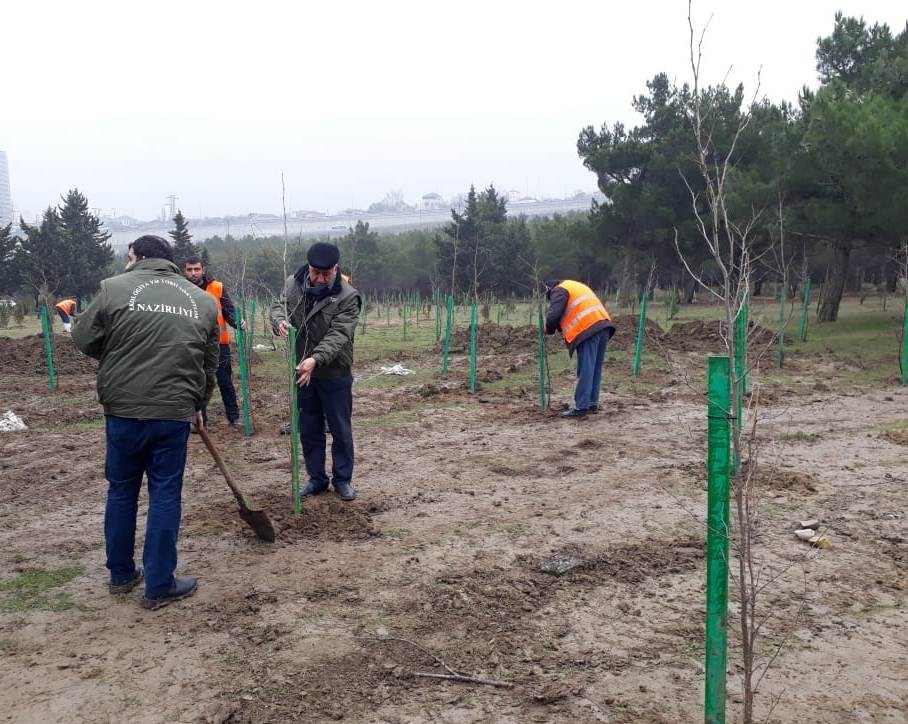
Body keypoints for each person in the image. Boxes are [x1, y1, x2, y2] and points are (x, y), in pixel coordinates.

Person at [72, 235, 219, 609]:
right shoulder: (202, 301)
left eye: (128, 258)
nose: (125, 264)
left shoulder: (112, 289)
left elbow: (83, 337)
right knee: (165, 494)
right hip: (172, 414)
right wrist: (198, 403)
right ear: (171, 262)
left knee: (121, 489)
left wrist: (115, 349)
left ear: (137, 257)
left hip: (123, 411)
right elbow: (209, 364)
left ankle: (121, 574)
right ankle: (158, 584)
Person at [270, 242, 362, 501]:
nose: (320, 278)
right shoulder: (293, 283)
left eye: (327, 273)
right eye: (315, 272)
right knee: (309, 428)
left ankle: (343, 479)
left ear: (335, 269)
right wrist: (279, 321)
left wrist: (315, 359)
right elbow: (278, 305)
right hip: (302, 371)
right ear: (308, 268)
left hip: (334, 372)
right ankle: (316, 478)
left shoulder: (347, 296)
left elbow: (339, 335)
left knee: (340, 429)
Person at [182, 255, 245, 428]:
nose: (193, 273)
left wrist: (237, 323)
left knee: (225, 382)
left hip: (219, 345)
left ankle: (234, 418)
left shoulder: (217, 287)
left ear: (203, 270)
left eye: (197, 269)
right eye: (189, 269)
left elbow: (228, 311)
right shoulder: (180, 289)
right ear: (184, 271)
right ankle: (200, 421)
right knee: (196, 383)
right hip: (191, 345)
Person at [544, 280, 615, 418]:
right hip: (603, 325)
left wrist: (548, 328)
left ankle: (581, 407)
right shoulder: (573, 286)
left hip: (587, 328)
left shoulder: (559, 290)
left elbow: (554, 314)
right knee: (595, 368)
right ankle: (592, 403)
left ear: (549, 289)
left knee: (586, 369)